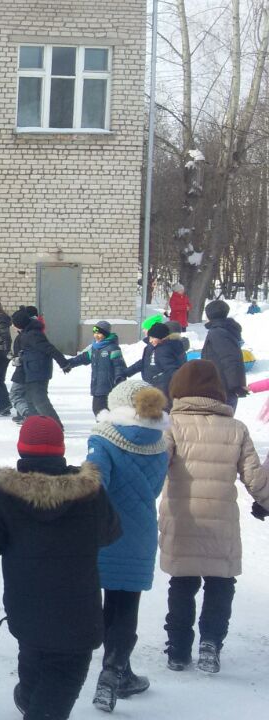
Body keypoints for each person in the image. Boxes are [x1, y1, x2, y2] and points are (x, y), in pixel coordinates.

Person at [0, 416, 121, 720]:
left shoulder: (4, 496)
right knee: (53, 694)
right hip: (77, 620)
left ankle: (30, 699)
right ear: (61, 450)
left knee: (33, 673)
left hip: (27, 616)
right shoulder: (90, 493)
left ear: (22, 450)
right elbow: (110, 533)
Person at [159, 360, 269, 674]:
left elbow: (154, 469)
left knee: (182, 583)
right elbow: (255, 479)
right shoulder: (236, 429)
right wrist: (266, 502)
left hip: (182, 519)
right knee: (221, 583)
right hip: (221, 521)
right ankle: (210, 643)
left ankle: (178, 650)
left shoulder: (171, 426)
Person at [83, 379, 169, 712]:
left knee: (108, 602)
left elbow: (95, 485)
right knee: (127, 604)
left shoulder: (103, 438)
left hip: (106, 531)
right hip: (141, 533)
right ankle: (119, 671)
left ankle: (112, 670)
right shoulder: (160, 442)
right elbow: (155, 488)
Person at [13, 306, 69, 424]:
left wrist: (63, 363)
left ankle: (55, 425)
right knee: (30, 400)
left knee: (40, 400)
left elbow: (49, 348)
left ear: (19, 324)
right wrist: (21, 357)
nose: (13, 326)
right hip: (32, 370)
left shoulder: (33, 334)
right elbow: (30, 352)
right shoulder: (27, 333)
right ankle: (36, 424)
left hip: (38, 371)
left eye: (14, 324)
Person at [65, 321, 127, 415]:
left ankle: (106, 424)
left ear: (105, 334)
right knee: (99, 410)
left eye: (99, 333)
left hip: (109, 386)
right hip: (97, 386)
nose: (96, 335)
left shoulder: (112, 348)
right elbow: (83, 358)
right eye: (94, 333)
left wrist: (120, 379)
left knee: (100, 410)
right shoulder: (94, 348)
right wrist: (69, 363)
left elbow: (119, 365)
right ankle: (107, 423)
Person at [200, 300, 248, 410]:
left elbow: (230, 359)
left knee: (220, 418)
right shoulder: (223, 329)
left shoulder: (218, 332)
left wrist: (237, 386)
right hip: (220, 385)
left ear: (210, 315)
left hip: (221, 387)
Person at [125, 321, 186, 404]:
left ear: (161, 337)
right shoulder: (153, 347)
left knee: (162, 407)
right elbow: (144, 362)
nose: (150, 340)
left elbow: (171, 368)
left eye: (152, 338)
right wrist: (126, 372)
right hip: (153, 384)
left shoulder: (164, 350)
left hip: (162, 387)